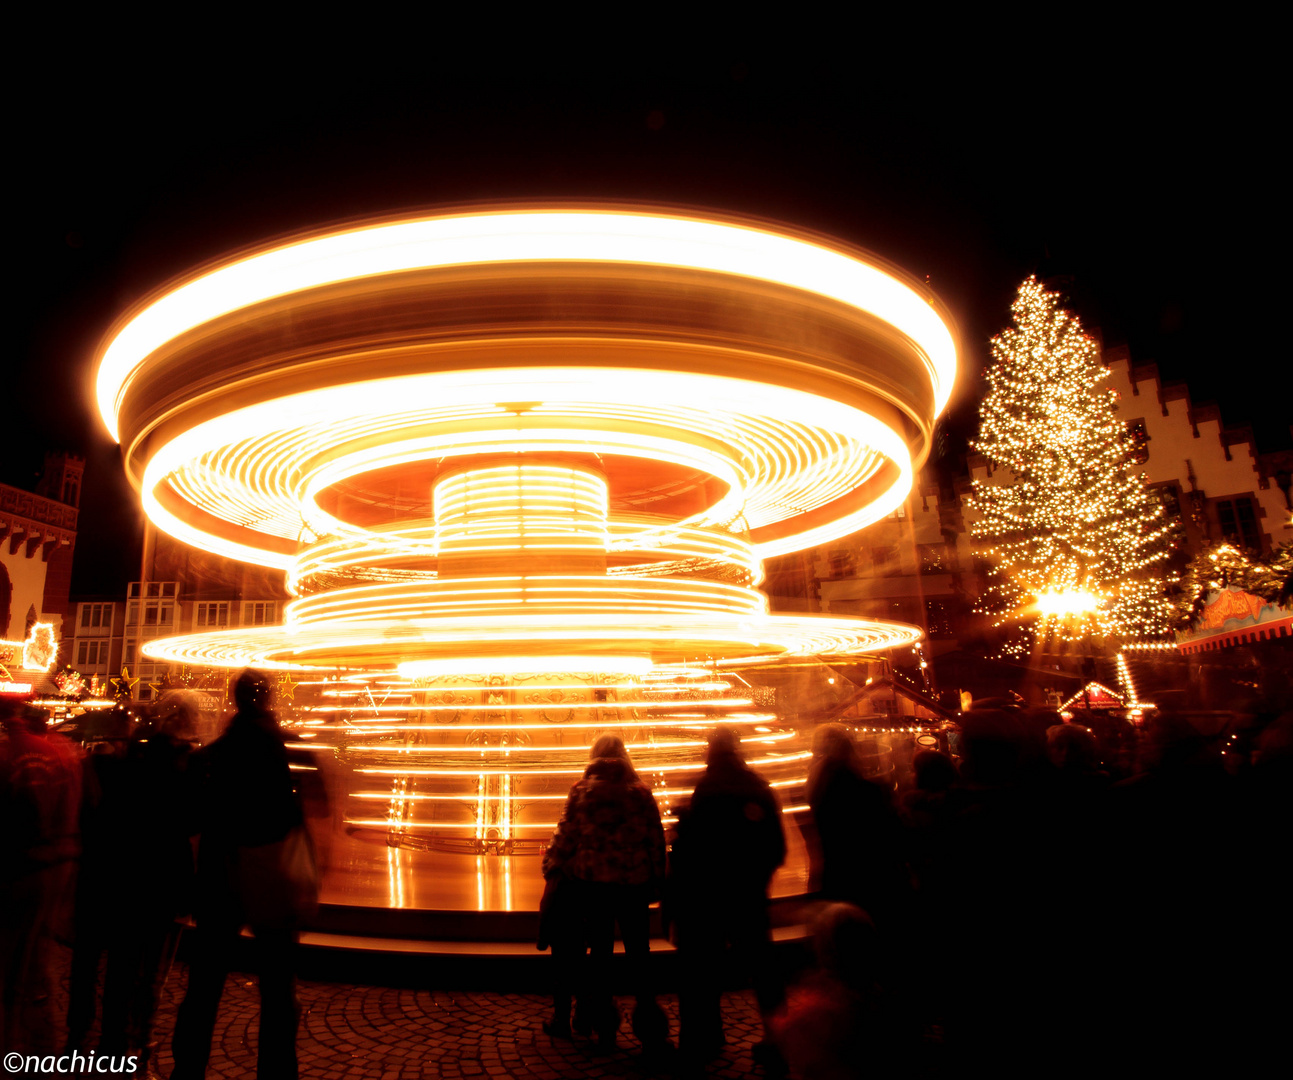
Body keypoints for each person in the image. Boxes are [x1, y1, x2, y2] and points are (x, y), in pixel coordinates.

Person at [171, 669, 316, 1080]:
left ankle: (188, 1069)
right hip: (273, 879)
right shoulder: (293, 753)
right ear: (268, 698)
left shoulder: (210, 758)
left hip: (221, 878)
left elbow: (187, 820)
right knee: (277, 991)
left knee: (204, 987)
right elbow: (314, 809)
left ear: (236, 701)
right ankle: (277, 1072)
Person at [67, 700, 197, 1072]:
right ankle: (129, 1041)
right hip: (154, 882)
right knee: (138, 966)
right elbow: (187, 820)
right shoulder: (174, 767)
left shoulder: (108, 768)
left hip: (106, 876)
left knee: (99, 961)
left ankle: (90, 1035)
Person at [542, 734, 667, 1053]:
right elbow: (655, 838)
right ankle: (650, 1025)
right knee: (640, 954)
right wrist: (657, 877)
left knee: (600, 956)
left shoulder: (581, 791)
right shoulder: (640, 793)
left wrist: (551, 864)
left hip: (594, 885)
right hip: (634, 884)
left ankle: (604, 1026)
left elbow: (566, 834)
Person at [671, 725, 786, 1063]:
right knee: (764, 969)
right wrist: (758, 878)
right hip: (748, 892)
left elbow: (696, 847)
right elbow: (775, 845)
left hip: (708, 894)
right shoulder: (757, 786)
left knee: (701, 969)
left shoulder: (704, 788)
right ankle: (777, 1038)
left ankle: (702, 1036)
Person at [0, 699, 81, 1057]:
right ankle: (42, 1043)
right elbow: (70, 807)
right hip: (52, 866)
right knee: (36, 957)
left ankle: (14, 1041)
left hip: (17, 867)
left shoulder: (5, 755)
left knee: (11, 961)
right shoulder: (59, 754)